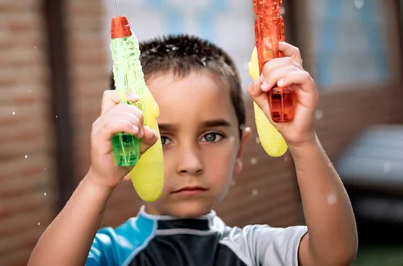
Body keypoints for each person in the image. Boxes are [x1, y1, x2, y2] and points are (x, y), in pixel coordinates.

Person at [28, 35, 358, 265]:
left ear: (240, 151)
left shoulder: (253, 250)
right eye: (164, 138)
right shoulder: (111, 253)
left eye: (211, 136)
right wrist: (98, 181)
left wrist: (303, 142)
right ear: (125, 148)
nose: (191, 164)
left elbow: (333, 254)